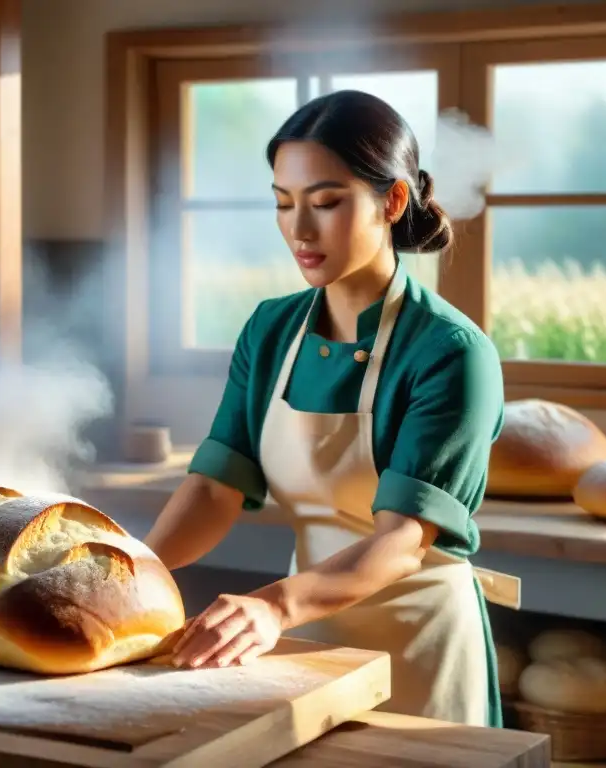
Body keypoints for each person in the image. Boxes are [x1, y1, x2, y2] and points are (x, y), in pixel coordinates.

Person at [143, 90, 507, 728]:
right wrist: (129, 573)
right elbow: (212, 489)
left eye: (327, 202)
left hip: (418, 645)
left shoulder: (452, 353)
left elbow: (400, 542)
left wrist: (273, 608)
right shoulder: (270, 330)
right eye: (284, 204)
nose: (299, 231)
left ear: (393, 201)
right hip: (307, 643)